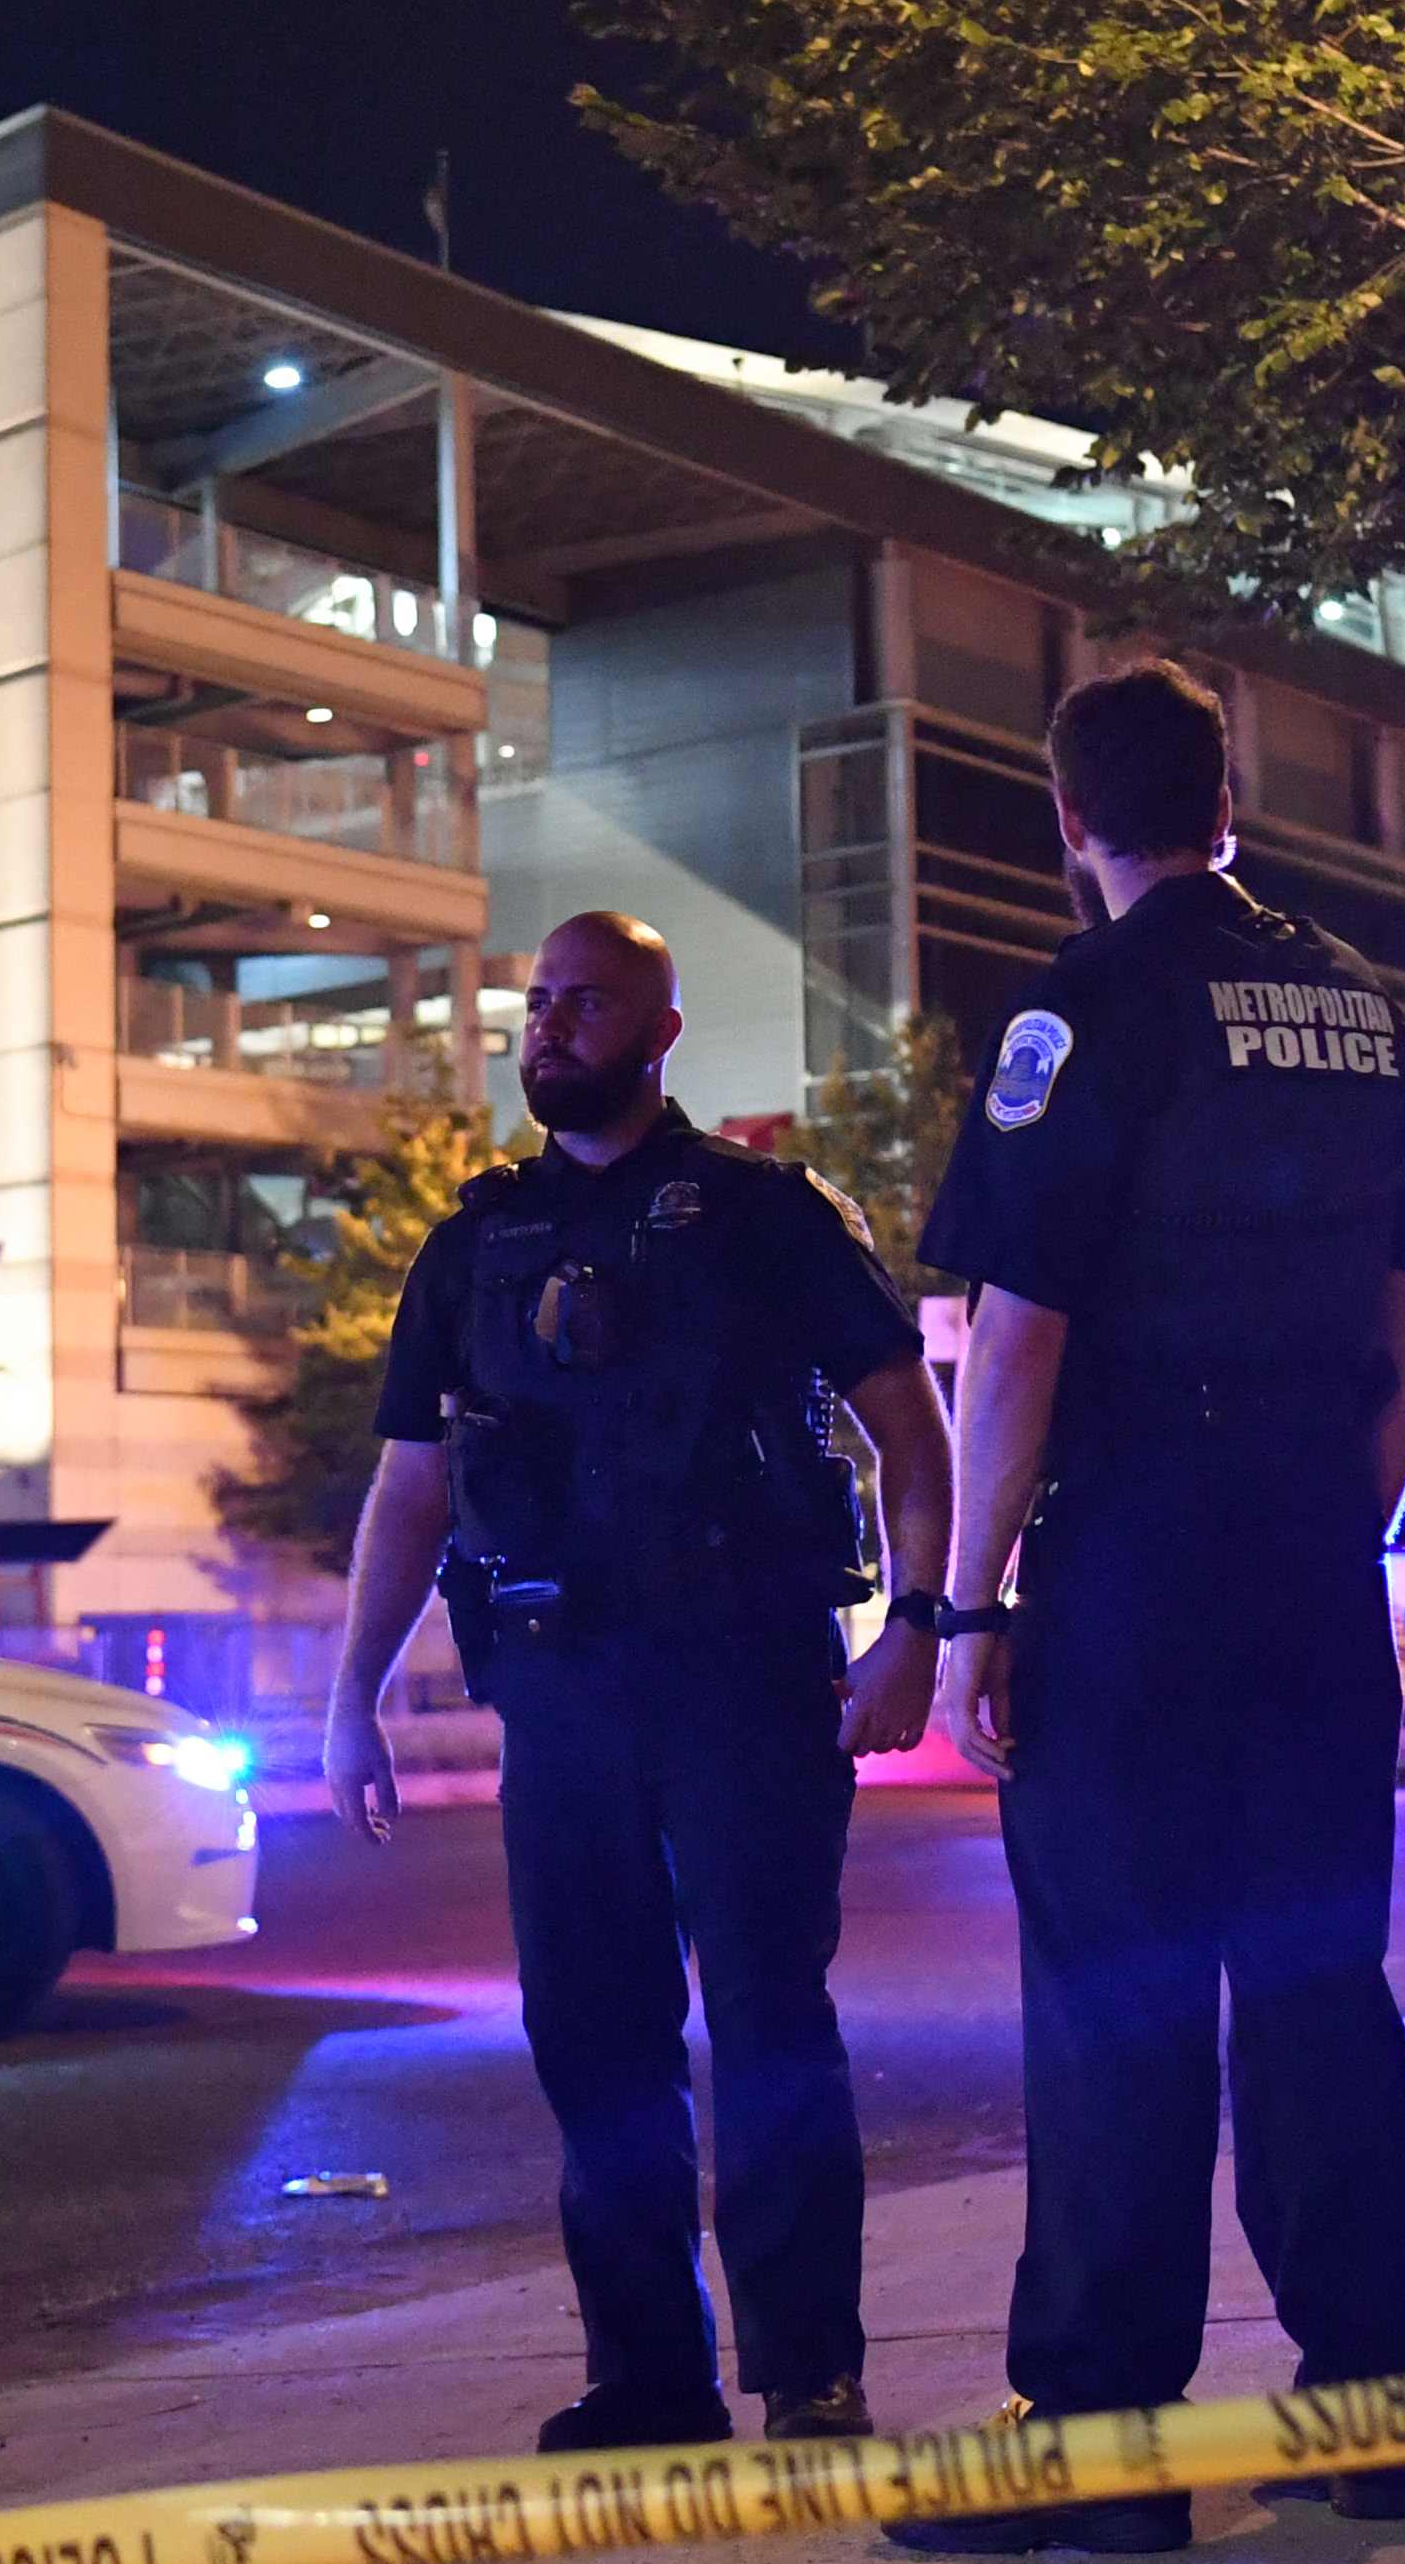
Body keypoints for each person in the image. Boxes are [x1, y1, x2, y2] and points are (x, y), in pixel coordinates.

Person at [884, 660, 1405, 2558]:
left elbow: (1018, 1336)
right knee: (1314, 1977)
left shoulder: (1086, 1006)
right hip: (1307, 1548)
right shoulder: (1369, 1011)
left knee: (1115, 1988)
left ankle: (1104, 2449)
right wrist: (1332, 1520)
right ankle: (1373, 2407)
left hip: (1138, 1550)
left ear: (1069, 820)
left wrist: (967, 1610)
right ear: (1228, 798)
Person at [322, 911, 958, 2453]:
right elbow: (412, 1488)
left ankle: (809, 2375)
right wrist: (350, 1697)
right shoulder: (475, 1243)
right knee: (595, 2043)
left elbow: (911, 1433)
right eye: (536, 1004)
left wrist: (918, 1631)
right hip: (561, 1696)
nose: (549, 1029)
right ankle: (649, 2383)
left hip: (744, 1682)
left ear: (661, 1030)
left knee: (766, 2027)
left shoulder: (766, 1214)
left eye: (585, 1004)